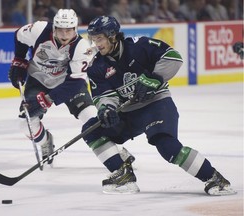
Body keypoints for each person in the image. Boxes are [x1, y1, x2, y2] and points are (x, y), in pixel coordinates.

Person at [82, 15, 237, 195]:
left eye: (99, 38)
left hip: (156, 104)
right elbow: (103, 96)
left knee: (167, 146)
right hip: (128, 112)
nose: (96, 43)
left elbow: (173, 57)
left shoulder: (138, 45)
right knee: (91, 130)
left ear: (113, 35)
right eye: (93, 39)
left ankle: (214, 178)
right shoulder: (96, 66)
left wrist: (155, 78)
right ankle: (123, 175)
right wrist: (106, 109)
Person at [8, 9, 98, 165]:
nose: (64, 34)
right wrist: (19, 60)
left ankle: (113, 148)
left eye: (68, 30)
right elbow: (19, 36)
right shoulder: (39, 29)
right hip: (38, 79)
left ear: (75, 28)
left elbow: (75, 82)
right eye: (60, 29)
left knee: (91, 117)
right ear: (54, 27)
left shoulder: (82, 47)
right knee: (25, 123)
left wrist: (48, 99)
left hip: (67, 84)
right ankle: (45, 142)